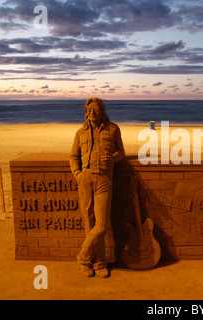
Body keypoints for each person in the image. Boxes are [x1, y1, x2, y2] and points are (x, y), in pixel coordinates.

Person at [70, 97, 125, 278]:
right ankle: (98, 263)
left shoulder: (113, 129)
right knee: (89, 223)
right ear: (85, 113)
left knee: (101, 225)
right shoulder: (80, 133)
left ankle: (83, 258)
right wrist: (77, 174)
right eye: (89, 111)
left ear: (102, 111)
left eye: (95, 110)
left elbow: (121, 152)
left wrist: (114, 158)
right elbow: (73, 156)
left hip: (103, 179)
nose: (92, 113)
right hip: (85, 178)